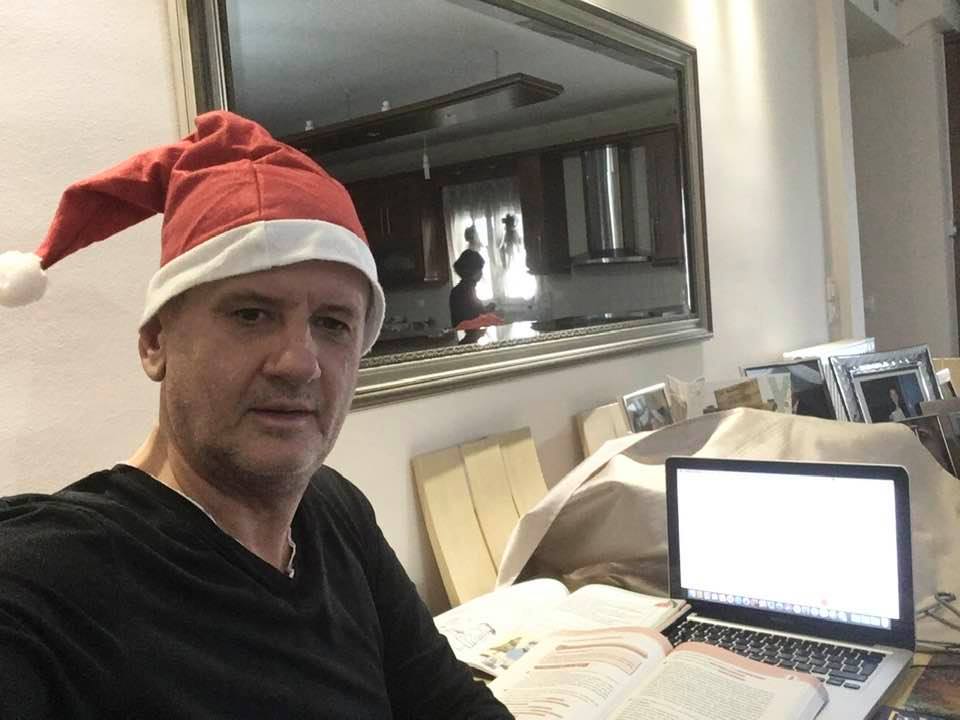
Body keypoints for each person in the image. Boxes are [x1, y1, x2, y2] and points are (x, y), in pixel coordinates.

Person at [0, 111, 512, 718]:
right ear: (156, 342)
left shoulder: (334, 514)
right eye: (250, 314)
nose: (299, 364)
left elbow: (449, 703)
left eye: (332, 324)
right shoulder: (45, 585)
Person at [449, 248, 495, 327]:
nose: (481, 273)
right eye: (480, 269)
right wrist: (487, 312)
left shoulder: (462, 289)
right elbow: (473, 320)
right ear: (473, 270)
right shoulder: (465, 291)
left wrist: (487, 309)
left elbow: (475, 312)